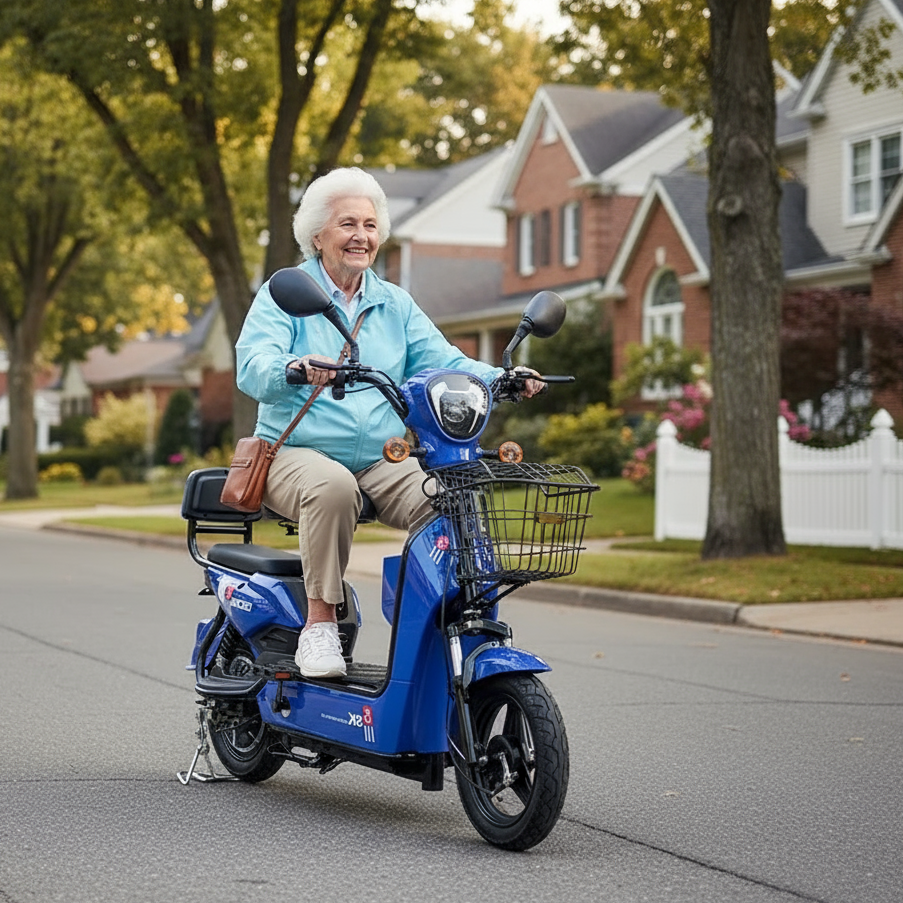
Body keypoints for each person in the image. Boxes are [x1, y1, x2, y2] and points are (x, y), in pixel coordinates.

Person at [236, 167, 542, 679]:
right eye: (347, 224)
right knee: (331, 487)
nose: (362, 236)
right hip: (295, 454)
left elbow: (443, 361)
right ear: (317, 236)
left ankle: (446, 620)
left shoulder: (393, 303)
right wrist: (292, 367)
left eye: (371, 225)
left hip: (381, 458)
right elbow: (252, 365)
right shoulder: (284, 292)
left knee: (449, 495)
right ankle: (320, 626)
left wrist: (502, 377)